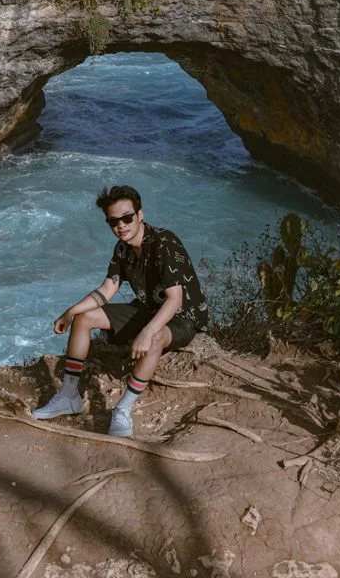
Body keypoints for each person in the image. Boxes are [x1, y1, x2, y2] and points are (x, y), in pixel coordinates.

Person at [32, 185, 208, 438]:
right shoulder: (122, 248)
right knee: (84, 318)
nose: (121, 226)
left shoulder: (164, 243)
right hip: (147, 309)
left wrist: (147, 332)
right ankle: (69, 396)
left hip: (183, 316)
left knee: (156, 338)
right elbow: (107, 289)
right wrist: (70, 312)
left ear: (140, 215)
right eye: (114, 221)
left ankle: (123, 408)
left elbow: (175, 300)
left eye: (127, 218)